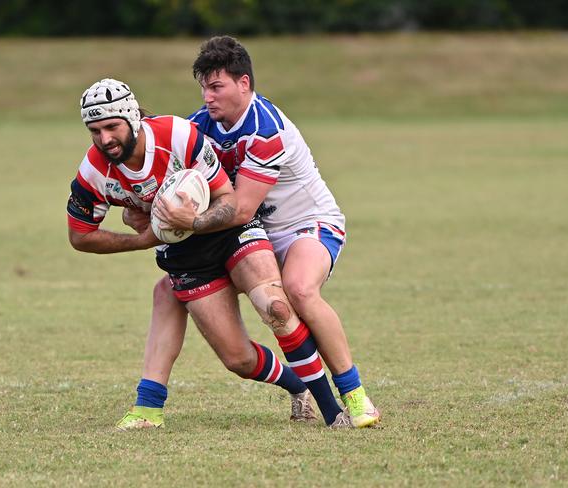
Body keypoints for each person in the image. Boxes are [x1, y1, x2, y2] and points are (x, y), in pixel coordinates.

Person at [124, 36, 381, 428]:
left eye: (217, 87)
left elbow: (240, 207)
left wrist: (186, 221)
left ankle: (356, 397)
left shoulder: (265, 129)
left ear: (244, 84)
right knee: (170, 293)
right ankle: (147, 407)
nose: (208, 97)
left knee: (298, 289)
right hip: (250, 233)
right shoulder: (199, 127)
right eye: (204, 88)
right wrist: (148, 212)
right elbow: (175, 184)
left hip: (306, 225)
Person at [67, 78, 351, 430]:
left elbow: (229, 200)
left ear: (132, 118)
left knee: (275, 306)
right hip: (186, 257)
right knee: (239, 360)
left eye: (112, 126)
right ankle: (297, 386)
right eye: (94, 130)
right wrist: (145, 238)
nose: (105, 138)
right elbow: (80, 236)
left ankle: (334, 413)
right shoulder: (94, 171)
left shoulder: (177, 135)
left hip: (230, 232)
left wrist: (195, 221)